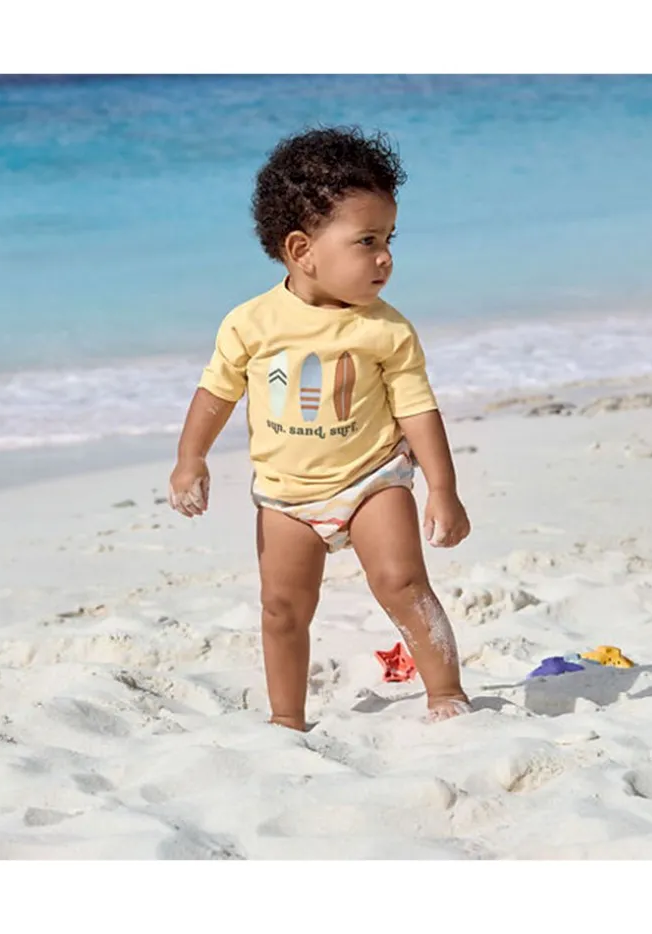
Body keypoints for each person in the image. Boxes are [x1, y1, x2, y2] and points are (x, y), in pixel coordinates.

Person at [168, 126, 472, 730]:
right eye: (367, 241)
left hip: (372, 479)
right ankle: (287, 719)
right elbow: (216, 392)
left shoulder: (386, 329)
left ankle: (446, 692)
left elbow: (418, 409)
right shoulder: (251, 324)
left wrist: (442, 488)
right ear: (302, 250)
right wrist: (190, 458)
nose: (385, 257)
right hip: (286, 496)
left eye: (389, 238)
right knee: (282, 608)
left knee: (402, 582)